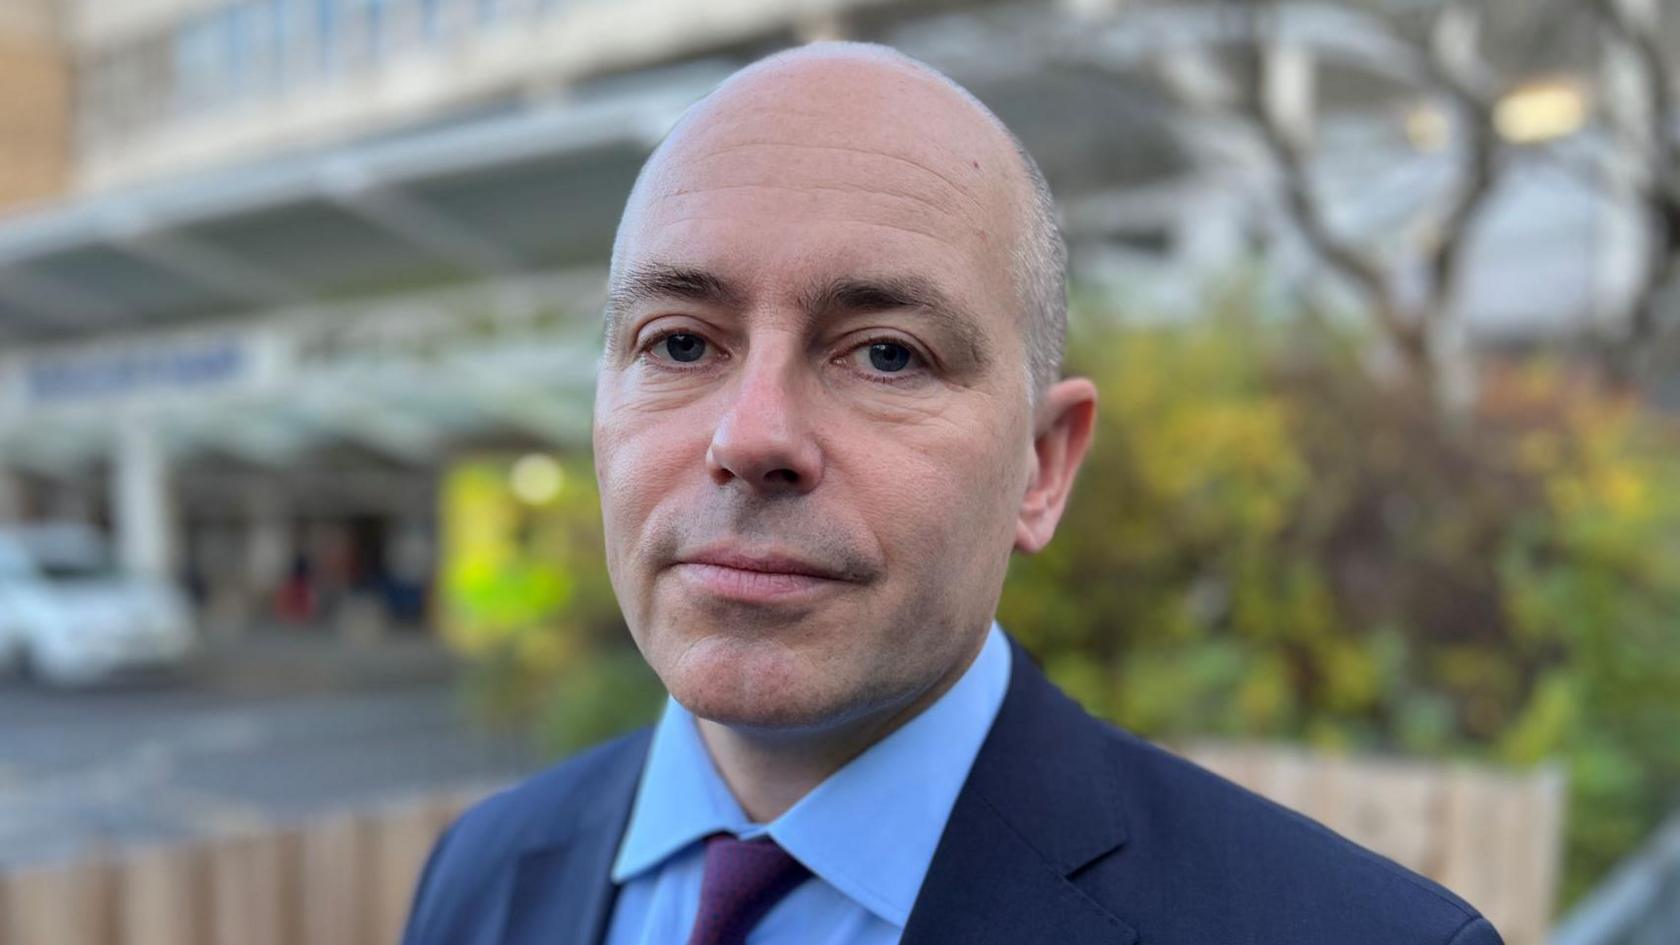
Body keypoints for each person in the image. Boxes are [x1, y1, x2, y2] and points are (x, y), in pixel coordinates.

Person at [400, 42, 1504, 945]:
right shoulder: (483, 876)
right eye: (680, 340)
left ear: (1043, 466)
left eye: (885, 355)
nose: (752, 437)